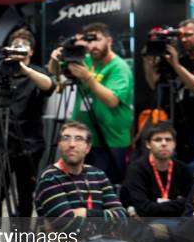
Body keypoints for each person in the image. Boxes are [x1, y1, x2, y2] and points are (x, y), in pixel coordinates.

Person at [35, 120, 131, 242]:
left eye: (78, 139)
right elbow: (65, 226)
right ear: (60, 145)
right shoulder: (50, 178)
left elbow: (122, 218)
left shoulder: (98, 175)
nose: (72, 144)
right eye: (66, 138)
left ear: (87, 148)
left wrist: (84, 214)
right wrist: (103, 217)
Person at [0, 28, 55, 217]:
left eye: (22, 47)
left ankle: (21, 241)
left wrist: (23, 69)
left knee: (25, 194)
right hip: (1, 142)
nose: (17, 50)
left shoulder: (36, 72)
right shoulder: (0, 73)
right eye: (14, 46)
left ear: (30, 51)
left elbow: (49, 86)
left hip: (29, 144)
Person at [50, 22, 134, 184]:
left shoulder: (119, 67)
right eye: (89, 41)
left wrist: (87, 78)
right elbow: (55, 71)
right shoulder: (85, 60)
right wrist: (55, 59)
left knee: (106, 186)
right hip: (84, 138)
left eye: (98, 40)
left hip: (110, 140)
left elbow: (112, 101)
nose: (93, 45)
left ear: (109, 41)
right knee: (82, 184)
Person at [144, 19, 194, 166]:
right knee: (180, 169)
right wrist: (148, 60)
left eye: (189, 35)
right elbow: (153, 83)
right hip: (180, 126)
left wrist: (176, 65)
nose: (184, 39)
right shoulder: (180, 59)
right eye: (181, 36)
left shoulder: (183, 61)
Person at [122, 121, 193, 218]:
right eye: (158, 140)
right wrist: (178, 202)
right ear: (148, 144)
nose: (164, 143)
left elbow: (191, 205)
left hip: (179, 224)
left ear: (174, 144)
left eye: (168, 140)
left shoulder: (183, 169)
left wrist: (155, 205)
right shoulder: (136, 170)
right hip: (147, 224)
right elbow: (143, 209)